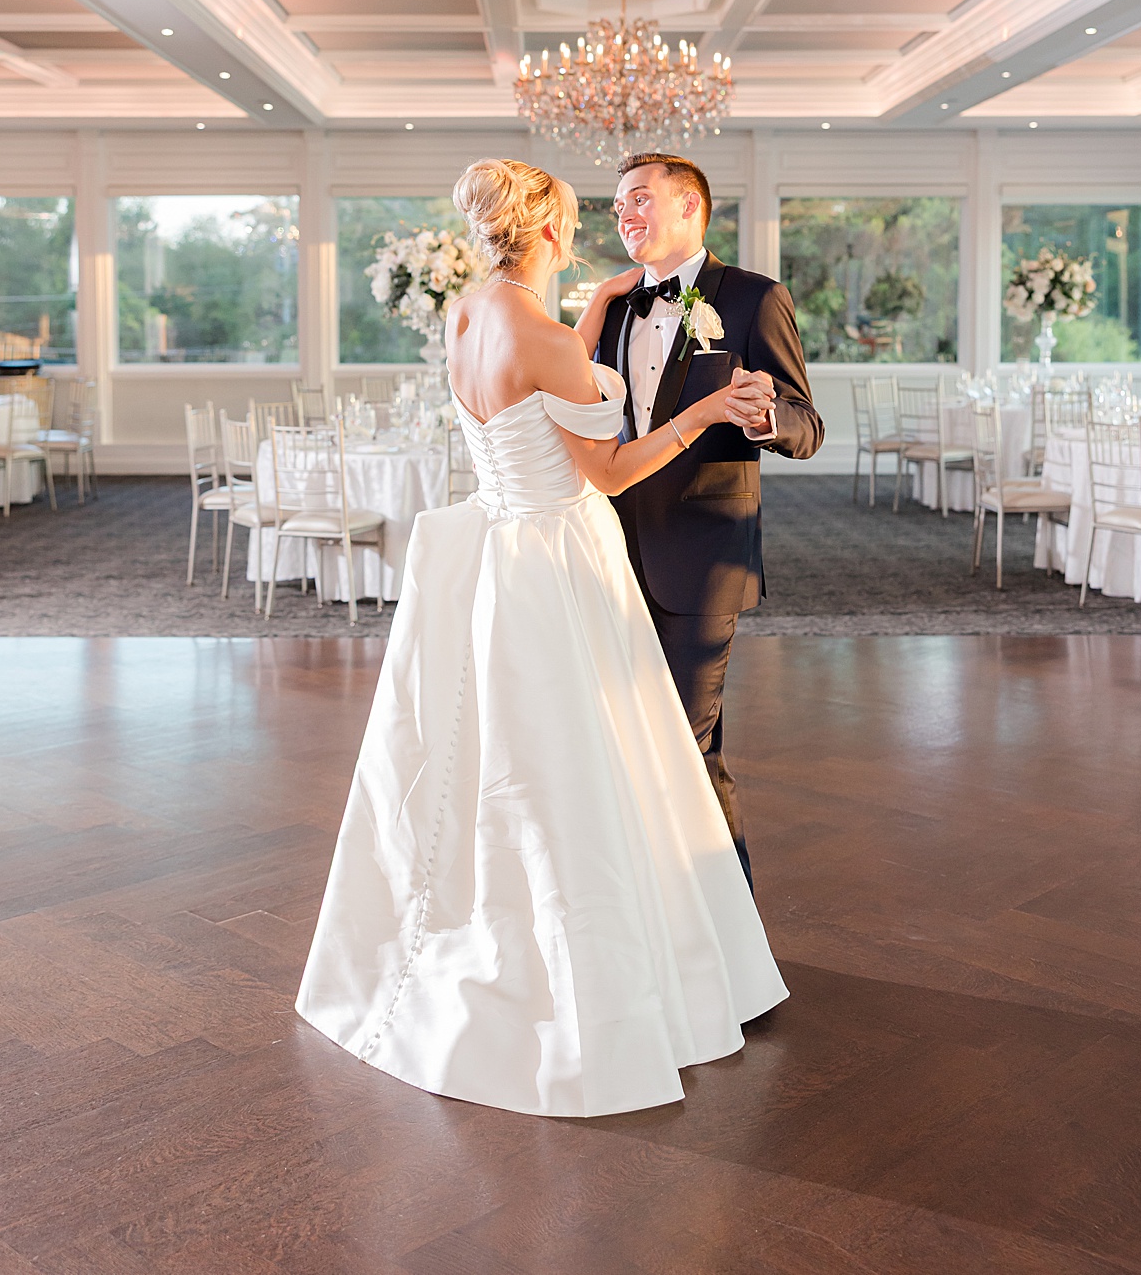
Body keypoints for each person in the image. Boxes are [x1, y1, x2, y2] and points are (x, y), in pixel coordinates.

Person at [297, 158, 787, 1117]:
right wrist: (703, 409)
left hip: (496, 548)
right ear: (552, 232)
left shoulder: (472, 312)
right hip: (563, 557)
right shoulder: (545, 338)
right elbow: (606, 472)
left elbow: (542, 370)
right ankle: (600, 986)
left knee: (502, 762)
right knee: (586, 769)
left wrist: (601, 302)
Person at [586, 151, 824, 884]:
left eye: (639, 199)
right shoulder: (616, 306)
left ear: (690, 206)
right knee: (637, 741)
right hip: (610, 554)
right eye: (618, 204)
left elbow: (807, 426)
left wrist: (763, 417)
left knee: (682, 746)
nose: (625, 214)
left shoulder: (754, 297)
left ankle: (713, 934)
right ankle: (699, 929)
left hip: (705, 558)